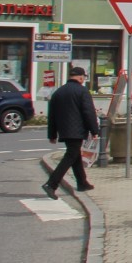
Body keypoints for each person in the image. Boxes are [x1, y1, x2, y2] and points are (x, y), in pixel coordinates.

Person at [45, 66, 100, 195]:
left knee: (75, 156)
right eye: (84, 77)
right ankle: (51, 184)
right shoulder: (82, 91)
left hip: (64, 131)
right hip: (77, 131)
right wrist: (94, 130)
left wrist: (52, 134)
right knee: (70, 156)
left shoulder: (58, 92)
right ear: (81, 77)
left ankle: (82, 183)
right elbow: (88, 112)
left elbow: (52, 115)